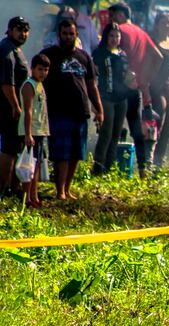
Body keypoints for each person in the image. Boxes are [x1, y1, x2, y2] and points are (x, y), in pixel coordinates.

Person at [41, 19, 103, 200]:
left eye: (71, 34)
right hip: (58, 112)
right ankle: (59, 191)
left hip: (80, 111)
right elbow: (39, 81)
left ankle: (67, 189)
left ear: (76, 35)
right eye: (64, 33)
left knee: (76, 153)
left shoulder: (84, 57)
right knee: (61, 153)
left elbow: (92, 86)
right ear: (59, 35)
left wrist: (99, 109)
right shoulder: (48, 56)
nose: (68, 37)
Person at [108, 2, 162, 177]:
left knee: (113, 128)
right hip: (136, 87)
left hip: (120, 87)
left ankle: (108, 167)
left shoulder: (121, 31)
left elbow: (121, 56)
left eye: (113, 16)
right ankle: (143, 168)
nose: (111, 20)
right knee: (136, 129)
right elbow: (158, 57)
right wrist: (145, 79)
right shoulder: (141, 32)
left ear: (122, 15)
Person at [92, 22, 132, 175]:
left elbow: (125, 76)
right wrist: (94, 103)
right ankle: (98, 167)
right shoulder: (99, 53)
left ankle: (109, 168)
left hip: (121, 98)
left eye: (117, 36)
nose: (114, 39)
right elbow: (93, 76)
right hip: (105, 97)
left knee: (116, 134)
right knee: (106, 133)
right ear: (106, 37)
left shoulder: (123, 55)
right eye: (111, 36)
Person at [0, 16, 29, 197]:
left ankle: (12, 187)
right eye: (18, 30)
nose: (22, 34)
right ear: (10, 30)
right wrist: (16, 106)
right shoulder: (6, 51)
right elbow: (6, 84)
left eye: (25, 30)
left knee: (14, 148)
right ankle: (3, 190)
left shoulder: (15, 49)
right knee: (8, 149)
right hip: (7, 108)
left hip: (12, 107)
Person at [18, 54, 51, 208]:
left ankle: (34, 196)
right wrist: (28, 133)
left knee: (36, 166)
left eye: (45, 70)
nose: (42, 73)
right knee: (28, 167)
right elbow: (28, 111)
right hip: (31, 131)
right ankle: (26, 198)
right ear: (32, 69)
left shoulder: (40, 85)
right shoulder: (29, 85)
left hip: (41, 130)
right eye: (39, 69)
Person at [150, 12, 169, 166]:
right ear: (157, 25)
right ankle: (149, 156)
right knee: (159, 116)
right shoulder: (152, 41)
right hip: (157, 86)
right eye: (164, 23)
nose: (167, 26)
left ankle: (159, 161)